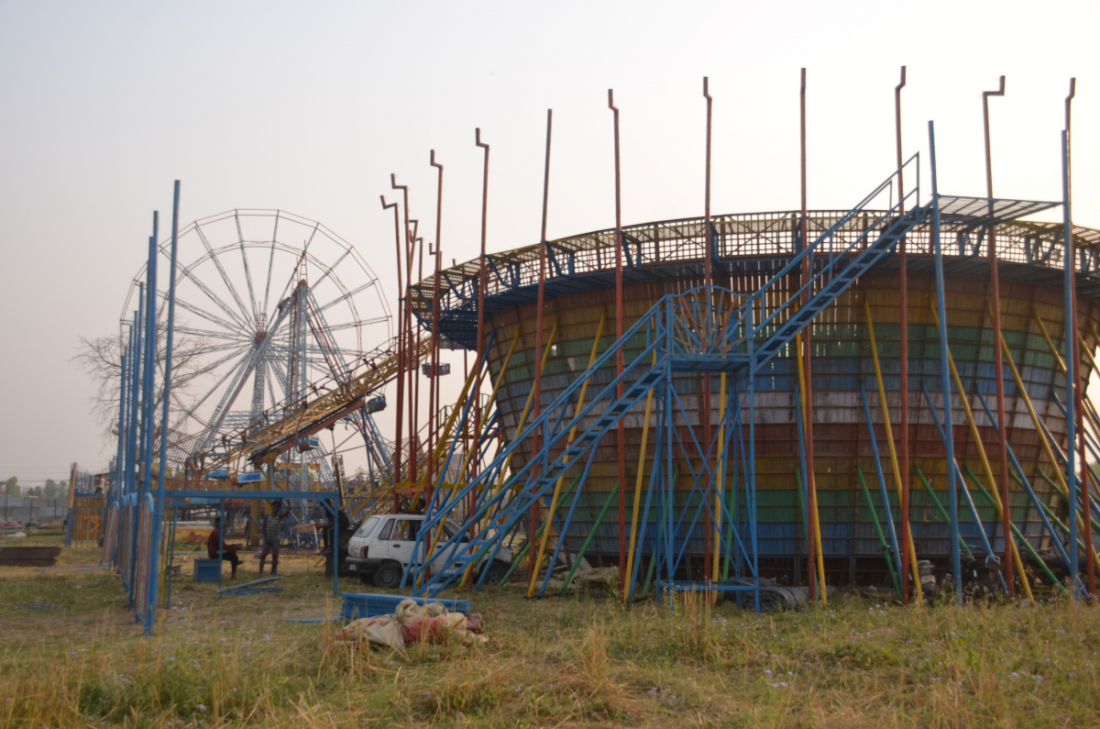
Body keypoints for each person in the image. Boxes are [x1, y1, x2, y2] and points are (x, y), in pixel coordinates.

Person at [259, 500, 289, 577]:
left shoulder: (279, 517)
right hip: (267, 538)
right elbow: (263, 528)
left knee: (275, 556)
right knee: (263, 555)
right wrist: (266, 538)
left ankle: (272, 573)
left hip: (275, 539)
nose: (276, 507)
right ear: (272, 506)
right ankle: (260, 573)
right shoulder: (267, 516)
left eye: (277, 506)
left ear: (279, 508)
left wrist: (289, 504)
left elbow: (287, 512)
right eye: (274, 505)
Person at [319, 505, 350, 578]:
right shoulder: (328, 510)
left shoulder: (331, 509)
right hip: (338, 523)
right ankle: (326, 547)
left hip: (343, 524)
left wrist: (321, 525)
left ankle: (329, 547)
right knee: (325, 529)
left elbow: (331, 523)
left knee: (329, 530)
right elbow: (329, 521)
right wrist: (322, 525)